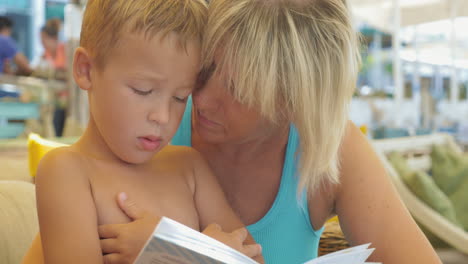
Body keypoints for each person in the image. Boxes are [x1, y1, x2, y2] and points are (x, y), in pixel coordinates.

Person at [25, 0, 443, 263]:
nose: (199, 101)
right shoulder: (150, 129)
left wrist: (175, 253)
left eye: (242, 89)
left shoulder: (329, 148)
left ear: (291, 104)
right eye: (204, 70)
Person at [23, 0, 262, 263]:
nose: (163, 116)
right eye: (143, 90)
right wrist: (186, 255)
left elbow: (254, 257)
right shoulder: (67, 171)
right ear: (86, 70)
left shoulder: (189, 168)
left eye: (181, 98)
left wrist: (190, 254)